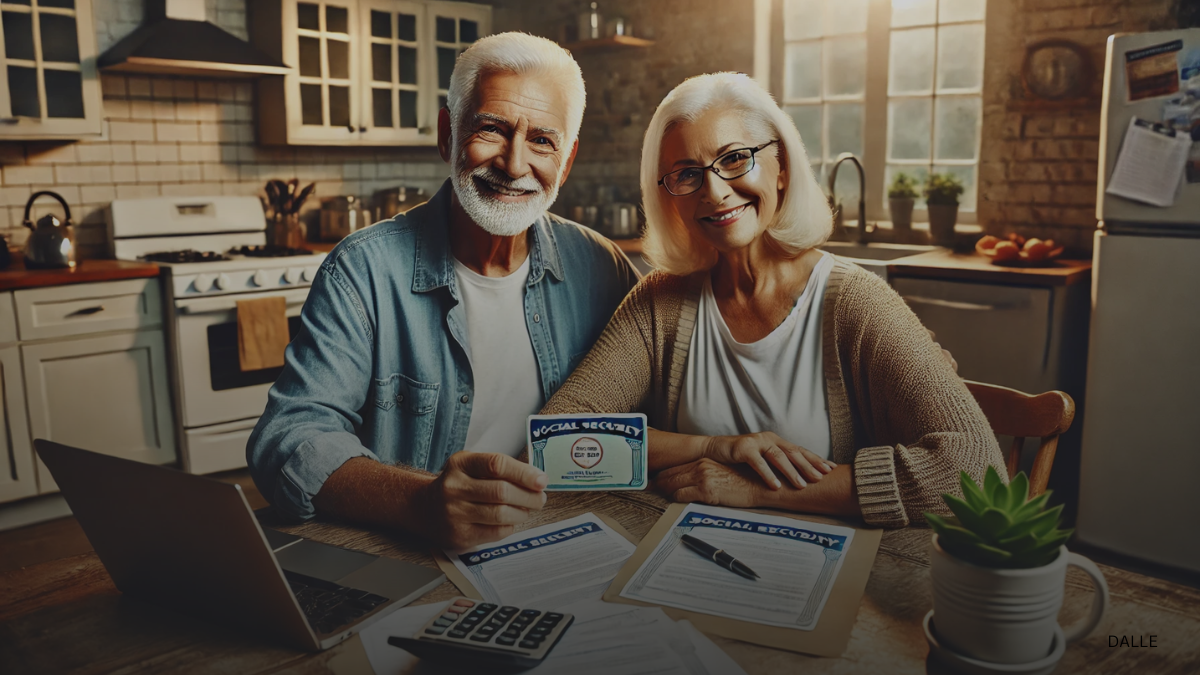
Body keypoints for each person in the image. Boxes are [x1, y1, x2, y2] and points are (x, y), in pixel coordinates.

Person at [541, 73, 1004, 528]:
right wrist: (711, 448)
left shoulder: (855, 302)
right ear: (669, 199)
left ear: (780, 167)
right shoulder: (660, 301)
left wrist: (759, 489)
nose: (715, 191)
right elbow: (553, 447)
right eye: (686, 174)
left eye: (736, 158)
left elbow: (978, 476)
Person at [247, 33, 639, 549]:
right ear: (447, 135)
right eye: (492, 130)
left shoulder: (603, 267)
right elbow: (289, 439)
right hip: (404, 549)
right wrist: (418, 501)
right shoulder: (363, 270)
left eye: (542, 140)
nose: (514, 164)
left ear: (565, 162)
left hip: (562, 537)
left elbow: (656, 407)